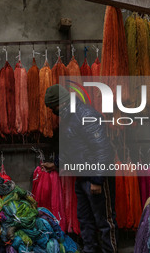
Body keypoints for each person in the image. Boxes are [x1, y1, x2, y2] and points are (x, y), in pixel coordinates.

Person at [42, 84, 117, 253]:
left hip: (95, 177)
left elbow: (103, 149)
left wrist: (97, 180)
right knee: (85, 219)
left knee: (105, 222)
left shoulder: (85, 114)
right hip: (81, 176)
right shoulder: (68, 118)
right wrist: (56, 163)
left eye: (53, 107)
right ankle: (89, 250)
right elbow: (71, 148)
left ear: (60, 103)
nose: (53, 111)